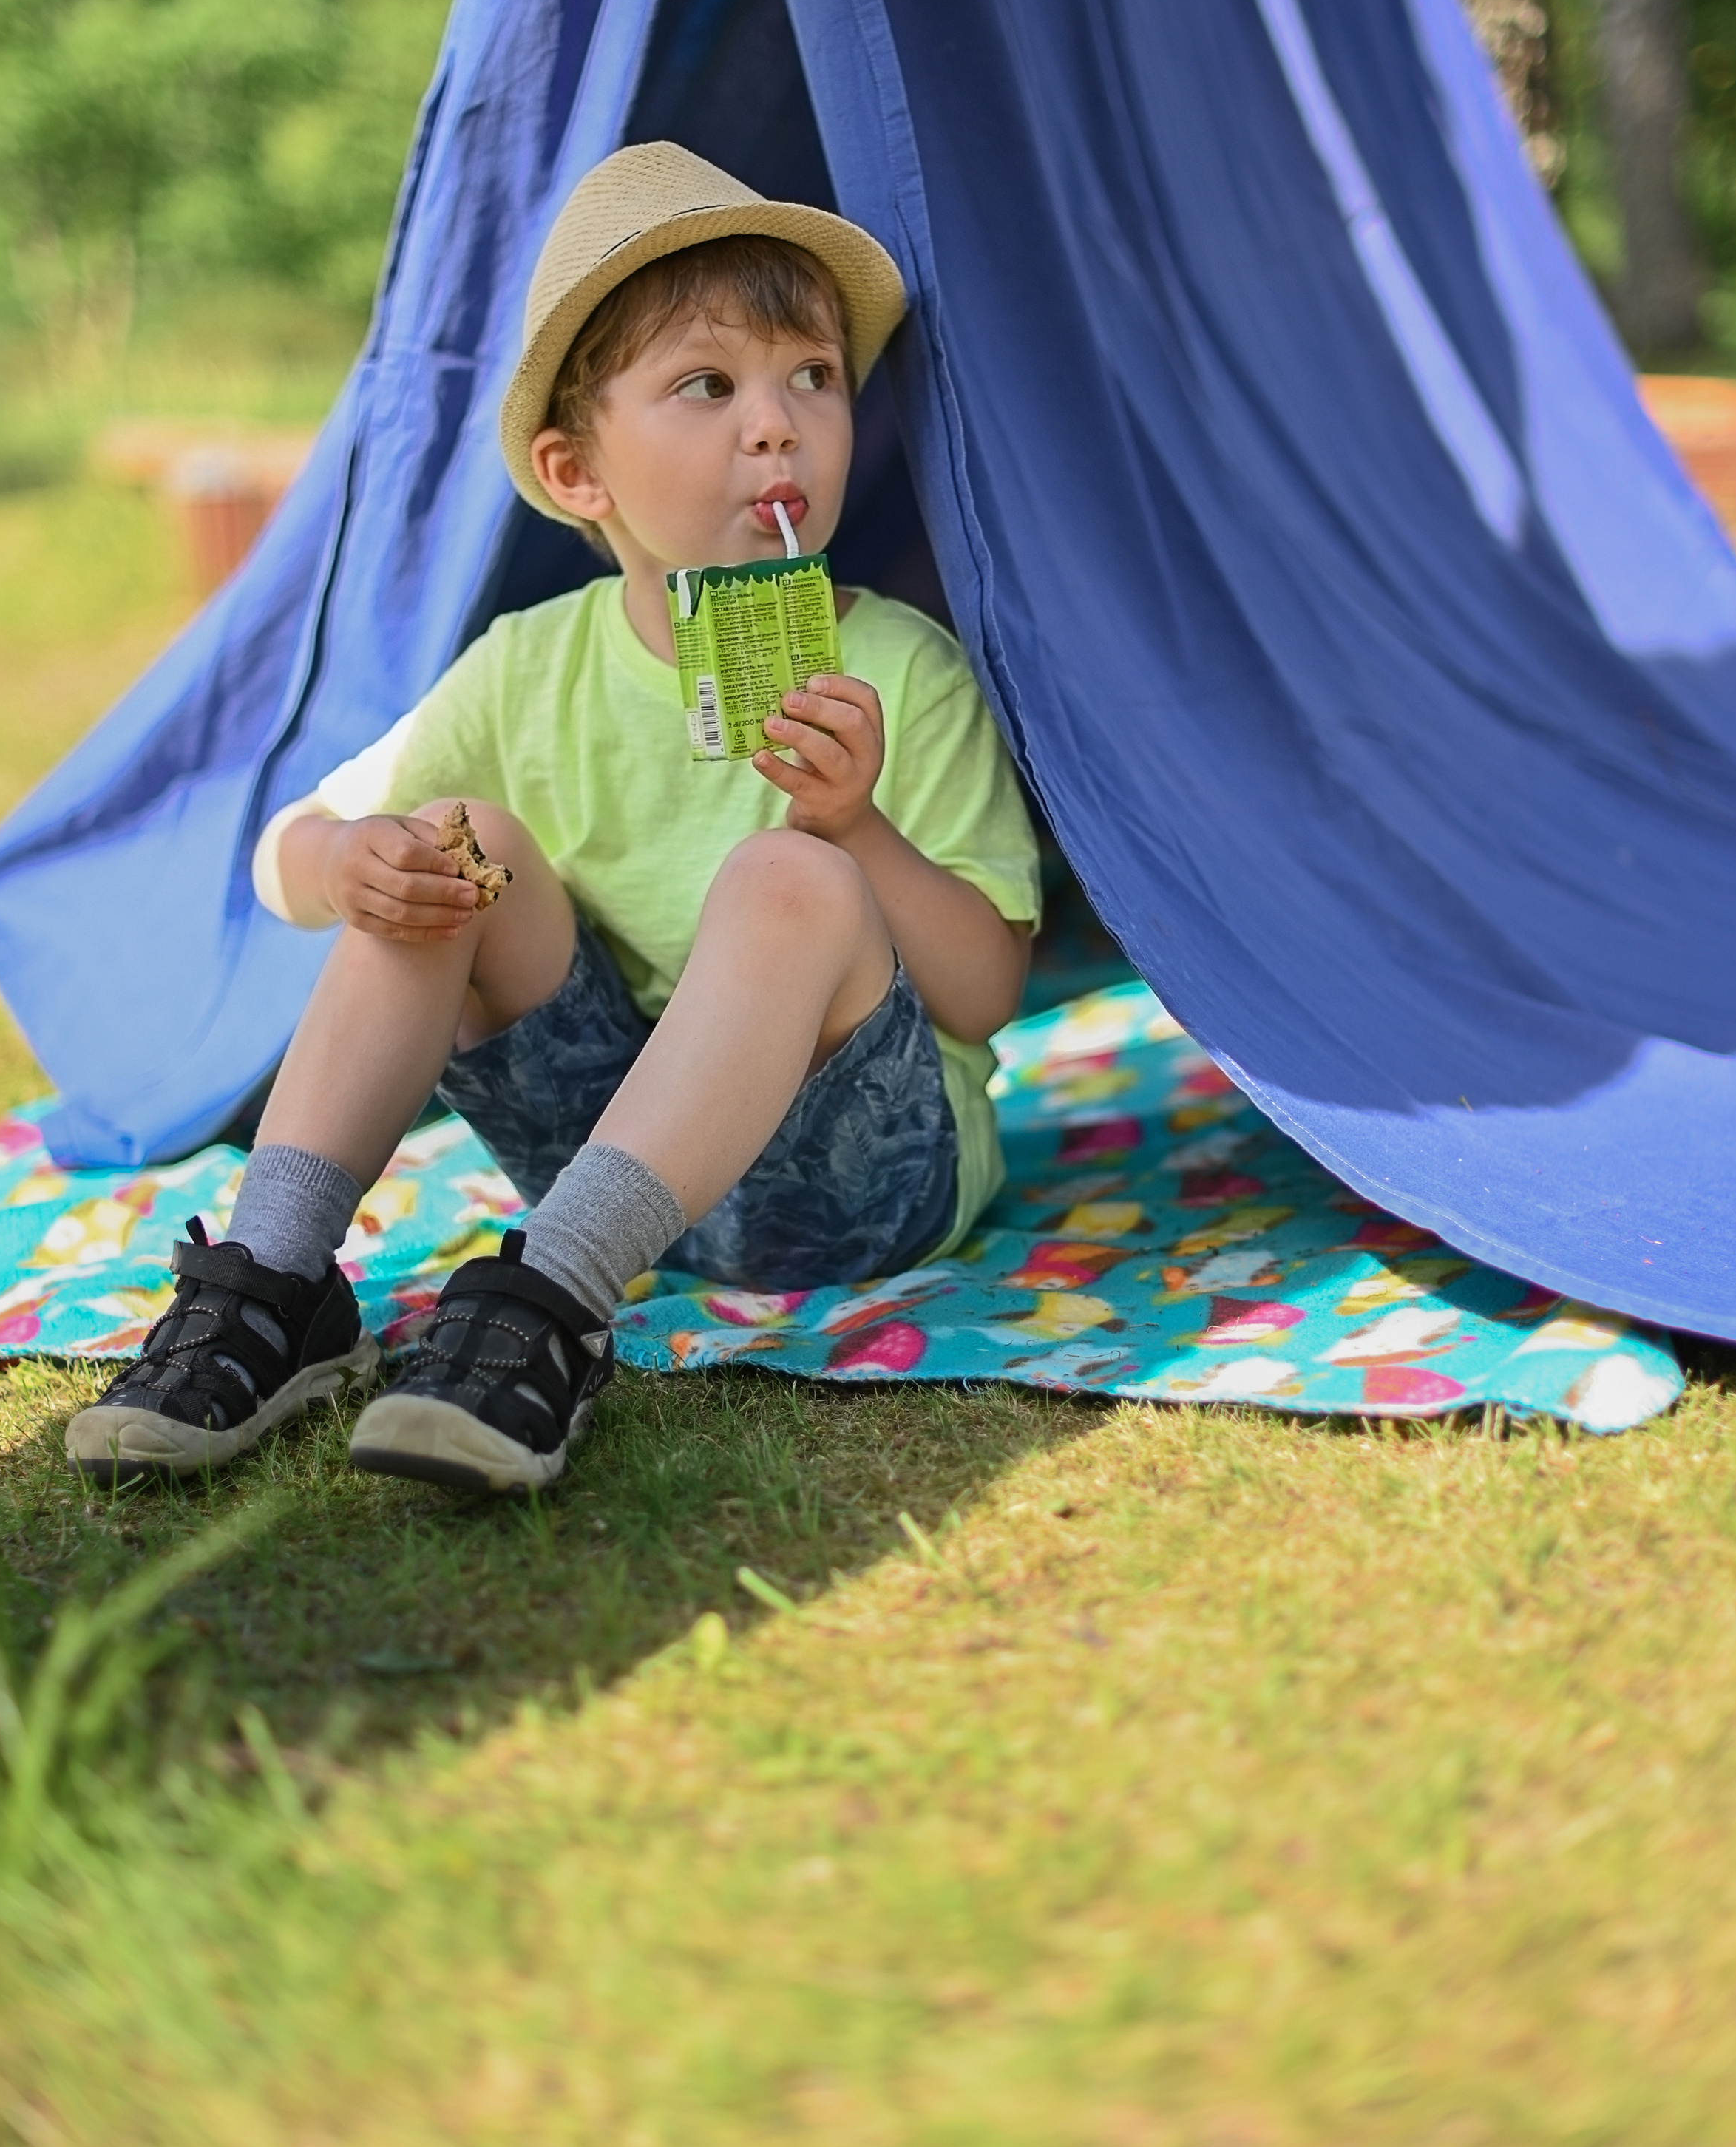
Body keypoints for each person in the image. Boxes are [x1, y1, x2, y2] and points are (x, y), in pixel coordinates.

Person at [66, 144, 1041, 1494]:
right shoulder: (530, 666)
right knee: (458, 837)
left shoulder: (899, 671)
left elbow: (986, 992)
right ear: (577, 473)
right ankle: (275, 1280)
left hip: (856, 1191)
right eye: (709, 385)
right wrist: (354, 862)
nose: (777, 425)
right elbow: (285, 848)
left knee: (789, 876)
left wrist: (859, 830)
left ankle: (551, 1306)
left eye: (810, 377)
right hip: (611, 1163)